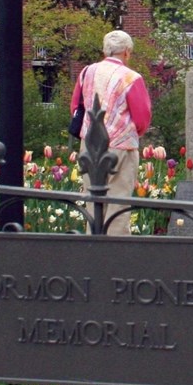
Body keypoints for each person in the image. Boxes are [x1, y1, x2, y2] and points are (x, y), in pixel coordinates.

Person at [69, 30, 152, 235]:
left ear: (105, 50)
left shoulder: (86, 72)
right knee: (118, 203)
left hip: (89, 144)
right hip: (121, 144)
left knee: (93, 201)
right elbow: (142, 116)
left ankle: (92, 246)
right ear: (126, 52)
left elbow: (75, 107)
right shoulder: (132, 78)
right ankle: (115, 253)